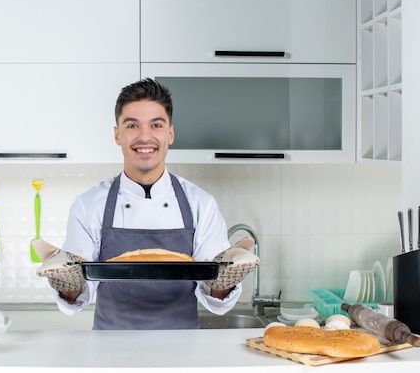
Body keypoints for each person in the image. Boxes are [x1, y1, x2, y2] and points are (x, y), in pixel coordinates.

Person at [33, 78, 258, 330]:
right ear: (117, 134)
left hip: (183, 351)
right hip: (110, 350)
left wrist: (226, 277)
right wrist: (67, 282)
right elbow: (76, 299)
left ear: (170, 133)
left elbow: (216, 301)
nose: (145, 137)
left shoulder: (200, 204)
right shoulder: (89, 204)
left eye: (156, 125)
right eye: (132, 125)